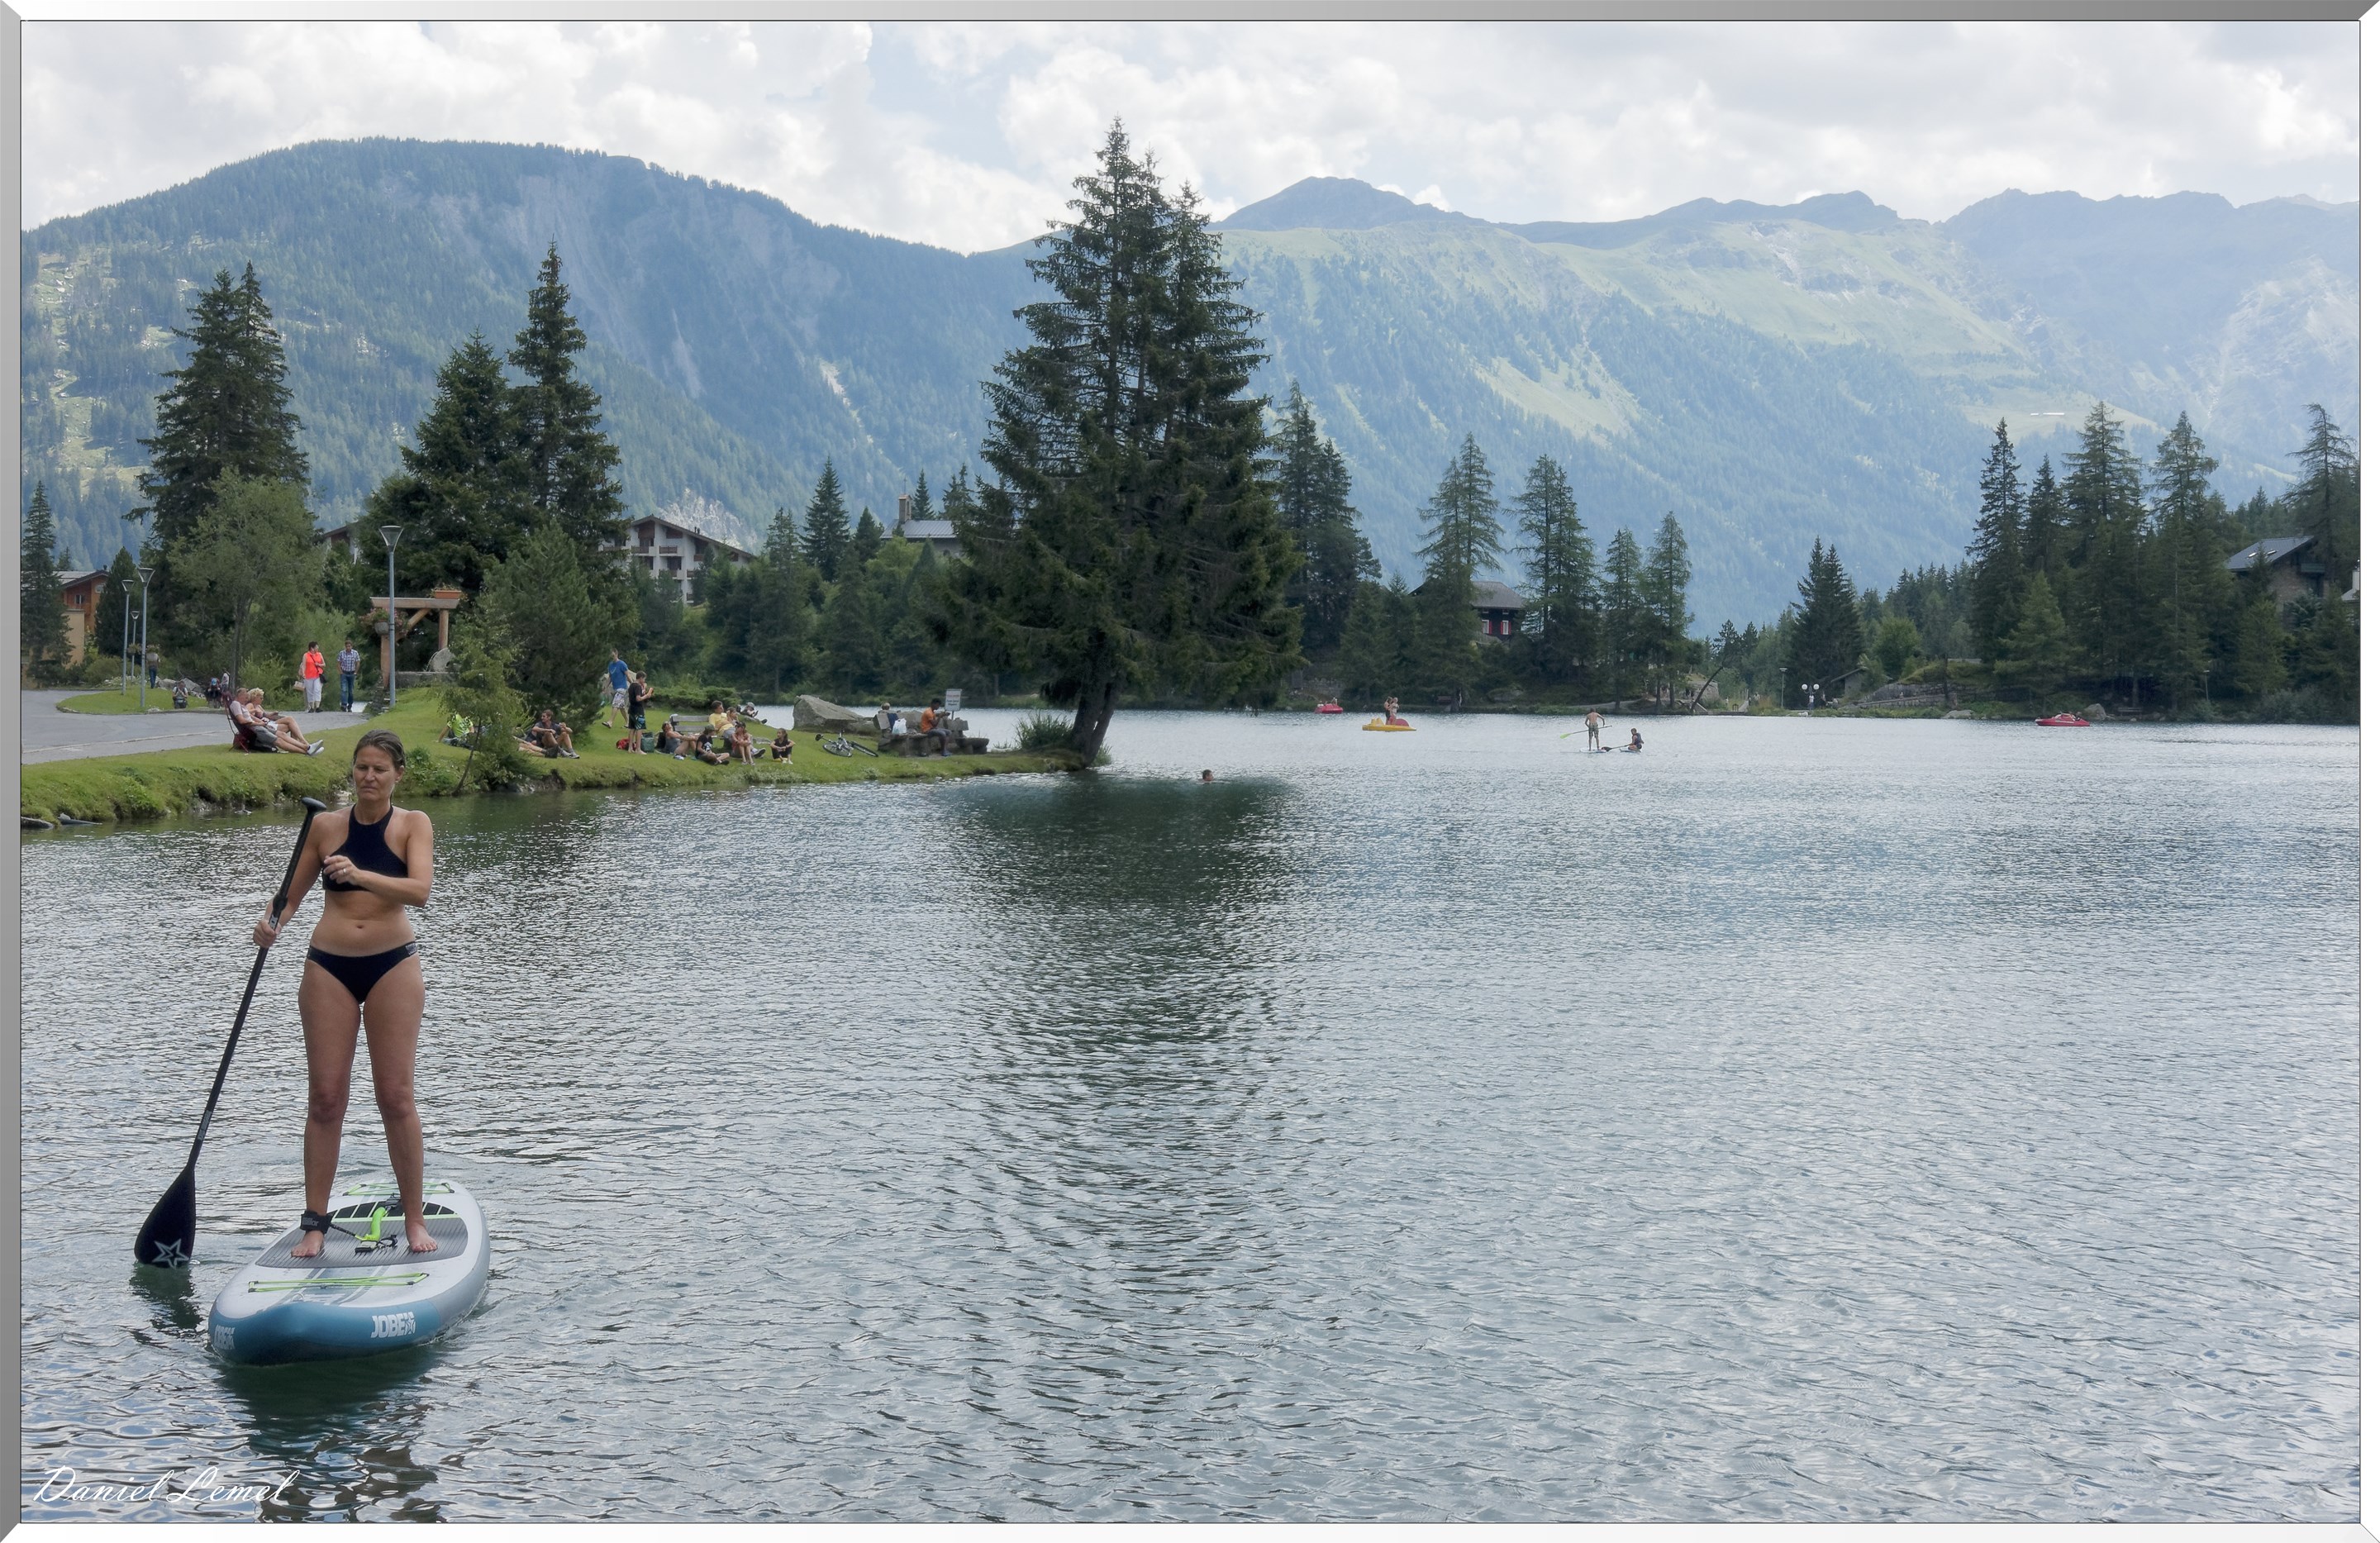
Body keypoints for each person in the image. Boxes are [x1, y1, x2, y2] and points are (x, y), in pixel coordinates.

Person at [255, 728, 440, 1258]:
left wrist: (360, 874)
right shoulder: (324, 826)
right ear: (352, 772)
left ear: (397, 775)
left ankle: (413, 1218)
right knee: (326, 1098)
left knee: (396, 1098)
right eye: (362, 767)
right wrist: (271, 923)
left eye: (380, 768)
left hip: (392, 966)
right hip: (328, 968)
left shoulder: (413, 825)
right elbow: (288, 897)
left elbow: (421, 890)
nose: (369, 776)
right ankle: (315, 1222)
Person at [626, 673, 654, 753]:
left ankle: (630, 748)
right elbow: (638, 698)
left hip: (631, 709)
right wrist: (647, 695)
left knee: (632, 728)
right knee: (639, 728)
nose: (644, 681)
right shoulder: (638, 686)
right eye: (644, 679)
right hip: (638, 710)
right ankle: (638, 749)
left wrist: (644, 689)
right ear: (641, 678)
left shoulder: (632, 685)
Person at [605, 651, 631, 728]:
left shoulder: (622, 664)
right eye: (611, 656)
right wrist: (606, 687)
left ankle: (610, 722)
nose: (612, 657)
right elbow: (610, 677)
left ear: (617, 654)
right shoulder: (610, 665)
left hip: (622, 688)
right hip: (615, 687)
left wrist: (633, 683)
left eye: (613, 655)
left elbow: (627, 674)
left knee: (615, 704)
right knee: (622, 707)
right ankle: (629, 723)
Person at [301, 641, 326, 711]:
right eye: (316, 647)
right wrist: (303, 674)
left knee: (317, 690)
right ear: (312, 648)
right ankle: (311, 707)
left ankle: (317, 706)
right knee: (310, 691)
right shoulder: (306, 655)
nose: (318, 648)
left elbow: (324, 664)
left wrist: (319, 665)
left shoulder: (319, 654)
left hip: (317, 675)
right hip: (308, 675)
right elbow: (303, 665)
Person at [336, 641, 360, 712]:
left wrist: (356, 672)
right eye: (347, 646)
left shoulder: (355, 653)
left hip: (352, 673)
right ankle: (344, 705)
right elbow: (338, 663)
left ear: (351, 646)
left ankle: (350, 705)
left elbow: (358, 663)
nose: (348, 648)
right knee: (344, 689)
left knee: (351, 691)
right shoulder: (342, 653)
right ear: (345, 647)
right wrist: (341, 672)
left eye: (349, 646)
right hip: (344, 673)